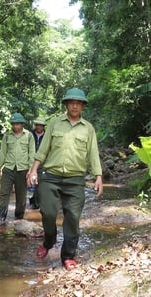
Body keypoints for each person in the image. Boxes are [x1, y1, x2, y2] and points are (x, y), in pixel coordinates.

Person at [27, 88, 103, 271]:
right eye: (71, 102)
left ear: (83, 106)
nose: (75, 105)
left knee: (72, 218)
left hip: (75, 179)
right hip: (50, 177)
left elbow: (93, 154)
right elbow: (43, 149)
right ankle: (49, 240)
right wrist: (33, 170)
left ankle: (68, 256)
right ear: (66, 104)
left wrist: (98, 177)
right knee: (48, 213)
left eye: (78, 103)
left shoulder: (88, 128)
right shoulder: (54, 123)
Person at [0, 113, 35, 226]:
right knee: (3, 193)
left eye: (18, 124)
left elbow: (32, 154)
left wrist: (31, 170)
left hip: (23, 169)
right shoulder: (7, 136)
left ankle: (19, 216)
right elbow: (3, 153)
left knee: (21, 196)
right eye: (14, 124)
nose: (16, 126)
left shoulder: (29, 136)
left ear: (22, 124)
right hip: (9, 169)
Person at [28, 116, 47, 209]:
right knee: (30, 185)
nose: (39, 127)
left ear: (43, 126)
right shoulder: (30, 135)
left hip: (43, 164)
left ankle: (37, 204)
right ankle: (32, 202)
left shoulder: (47, 136)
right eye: (37, 125)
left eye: (41, 125)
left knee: (39, 185)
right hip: (30, 162)